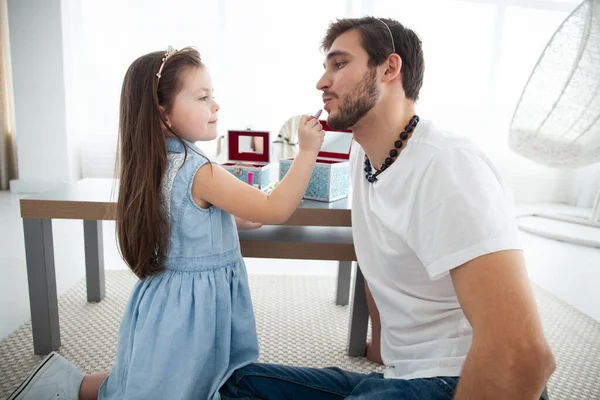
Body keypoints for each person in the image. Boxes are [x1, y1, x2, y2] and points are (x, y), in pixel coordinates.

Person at [219, 16, 556, 400]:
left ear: (390, 68)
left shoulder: (449, 165)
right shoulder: (363, 154)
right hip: (402, 375)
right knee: (237, 383)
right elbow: (382, 261)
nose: (321, 83)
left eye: (339, 64)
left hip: (462, 379)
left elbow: (525, 356)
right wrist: (380, 345)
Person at [8, 46, 324, 400]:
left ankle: (58, 385)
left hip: (167, 302)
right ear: (163, 113)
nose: (215, 106)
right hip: (192, 310)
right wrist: (307, 151)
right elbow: (274, 208)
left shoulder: (158, 162)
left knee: (143, 379)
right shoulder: (200, 170)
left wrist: (226, 219)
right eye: (203, 97)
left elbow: (182, 215)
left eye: (213, 95)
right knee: (177, 387)